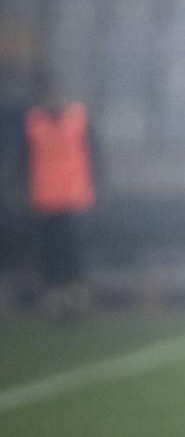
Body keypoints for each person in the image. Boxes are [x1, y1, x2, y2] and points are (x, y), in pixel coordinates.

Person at [24, 80, 96, 320]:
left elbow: (94, 154)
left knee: (73, 251)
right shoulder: (34, 123)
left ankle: (76, 296)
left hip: (75, 198)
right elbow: (23, 158)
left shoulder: (79, 120)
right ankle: (55, 300)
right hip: (45, 199)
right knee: (51, 252)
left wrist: (98, 185)